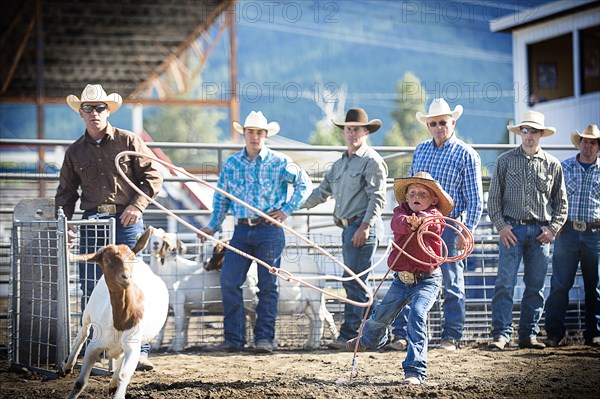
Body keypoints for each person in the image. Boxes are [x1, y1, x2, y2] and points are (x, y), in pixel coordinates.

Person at [55, 83, 163, 370]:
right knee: (91, 283)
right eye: (88, 108)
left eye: (100, 108)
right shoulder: (75, 152)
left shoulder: (128, 141)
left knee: (133, 280)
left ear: (108, 111)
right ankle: (99, 346)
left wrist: (136, 205)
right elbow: (66, 192)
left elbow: (153, 176)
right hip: (93, 222)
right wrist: (64, 224)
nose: (94, 113)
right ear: (81, 113)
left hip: (125, 219)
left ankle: (139, 349)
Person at [200, 111, 311, 353]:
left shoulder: (280, 162)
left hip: (269, 230)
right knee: (229, 280)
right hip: (241, 229)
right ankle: (234, 338)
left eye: (259, 133)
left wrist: (286, 210)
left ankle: (264, 338)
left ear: (266, 135)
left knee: (267, 284)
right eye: (250, 132)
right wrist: (212, 226)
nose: (254, 137)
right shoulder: (232, 164)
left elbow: (305, 183)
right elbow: (222, 199)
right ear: (244, 134)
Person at [389, 98, 483, 351]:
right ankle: (405, 334)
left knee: (451, 281)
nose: (438, 126)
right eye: (433, 123)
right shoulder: (421, 150)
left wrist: (467, 230)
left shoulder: (466, 154)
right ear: (428, 125)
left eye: (443, 122)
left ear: (452, 122)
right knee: (411, 275)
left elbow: (475, 199)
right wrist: (409, 220)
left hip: (450, 229)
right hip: (419, 226)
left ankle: (451, 336)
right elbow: (411, 189)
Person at [345, 172, 454, 385]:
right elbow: (398, 223)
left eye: (423, 194)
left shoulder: (435, 216)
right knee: (381, 315)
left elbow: (434, 224)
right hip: (401, 280)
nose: (416, 196)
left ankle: (415, 370)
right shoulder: (399, 214)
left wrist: (421, 221)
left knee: (417, 314)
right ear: (405, 197)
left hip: (428, 280)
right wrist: (410, 223)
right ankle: (370, 339)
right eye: (412, 192)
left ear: (433, 200)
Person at [302, 108, 388, 349]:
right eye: (348, 129)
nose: (351, 133)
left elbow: (377, 197)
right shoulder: (341, 164)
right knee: (357, 282)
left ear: (365, 132)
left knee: (354, 282)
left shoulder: (371, 161)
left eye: (356, 129)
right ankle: (374, 334)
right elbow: (322, 192)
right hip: (350, 227)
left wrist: (365, 226)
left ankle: (353, 335)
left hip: (361, 227)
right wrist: (293, 205)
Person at [487, 110, 568, 350]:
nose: (529, 135)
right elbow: (493, 200)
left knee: (536, 286)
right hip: (512, 230)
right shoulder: (504, 161)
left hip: (540, 233)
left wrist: (553, 229)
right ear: (520, 133)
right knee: (505, 283)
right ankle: (501, 335)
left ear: (541, 134)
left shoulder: (553, 165)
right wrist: (501, 227)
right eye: (525, 130)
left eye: (533, 131)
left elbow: (561, 203)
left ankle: (528, 334)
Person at [544, 124, 600, 348]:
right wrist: (554, 224)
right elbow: (551, 199)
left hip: (595, 233)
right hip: (566, 232)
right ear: (580, 143)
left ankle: (594, 334)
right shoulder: (564, 167)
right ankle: (554, 333)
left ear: (598, 147)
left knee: (594, 286)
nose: (588, 145)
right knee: (560, 284)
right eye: (585, 141)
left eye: (593, 142)